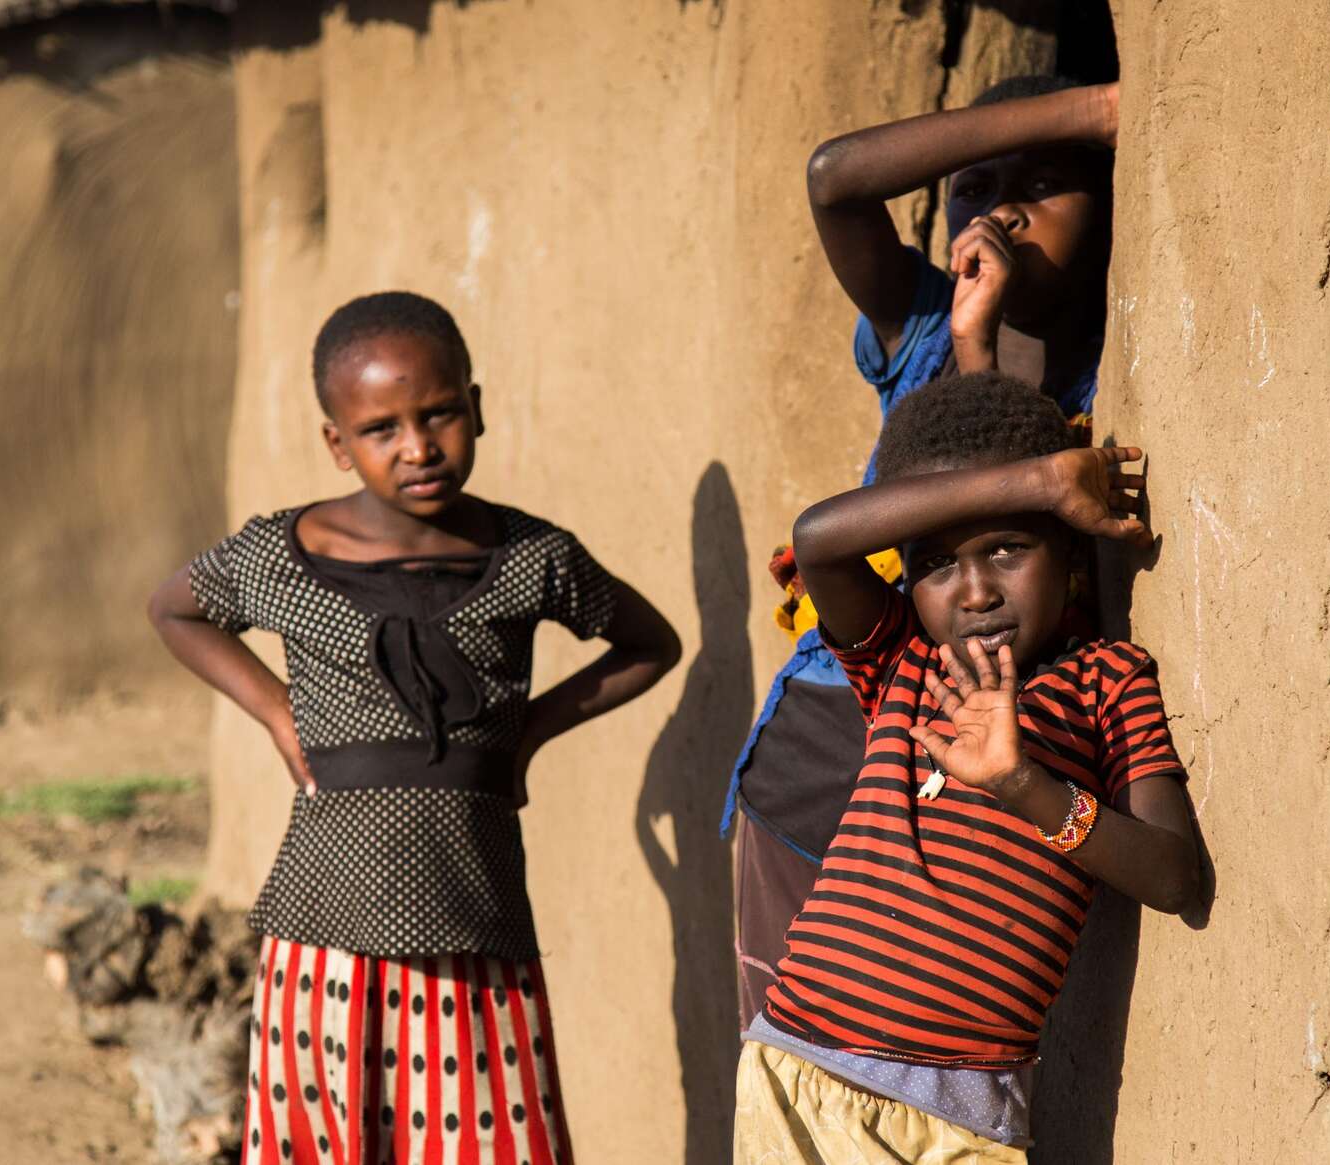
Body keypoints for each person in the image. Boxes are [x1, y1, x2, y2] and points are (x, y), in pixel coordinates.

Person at [147, 292, 681, 1165]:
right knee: (329, 1142)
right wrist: (279, 712)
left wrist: (530, 733)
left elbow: (649, 641)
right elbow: (175, 610)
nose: (418, 447)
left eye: (438, 415)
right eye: (382, 429)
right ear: (338, 443)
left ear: (477, 406)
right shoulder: (284, 554)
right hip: (325, 935)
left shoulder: (531, 556)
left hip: (477, 931)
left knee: (492, 1140)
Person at [725, 74, 1120, 1032]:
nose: (1005, 214)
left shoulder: (1104, 369)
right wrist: (1094, 110)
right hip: (827, 750)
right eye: (975, 189)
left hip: (960, 776)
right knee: (789, 1078)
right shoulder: (922, 334)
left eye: (1044, 185)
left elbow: (1005, 547)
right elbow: (835, 177)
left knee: (916, 1063)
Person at [733, 373, 1200, 1162]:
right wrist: (1041, 481)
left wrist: (1028, 788)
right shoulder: (901, 664)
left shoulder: (1107, 681)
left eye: (1008, 548)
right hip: (799, 1078)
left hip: (961, 1122)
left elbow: (1175, 875)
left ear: (1070, 554)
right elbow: (818, 539)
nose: (976, 590)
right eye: (939, 565)